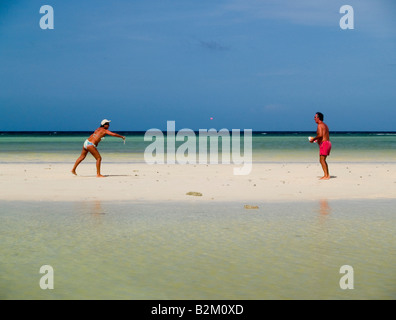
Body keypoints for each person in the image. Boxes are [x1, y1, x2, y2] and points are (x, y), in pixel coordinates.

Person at [310, 112, 331, 180]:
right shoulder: (325, 125)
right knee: (323, 160)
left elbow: (320, 135)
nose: (314, 118)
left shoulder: (319, 125)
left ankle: (326, 175)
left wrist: (313, 139)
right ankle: (327, 175)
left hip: (324, 144)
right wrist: (317, 140)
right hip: (327, 143)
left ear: (318, 118)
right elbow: (323, 136)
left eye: (315, 117)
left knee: (322, 160)